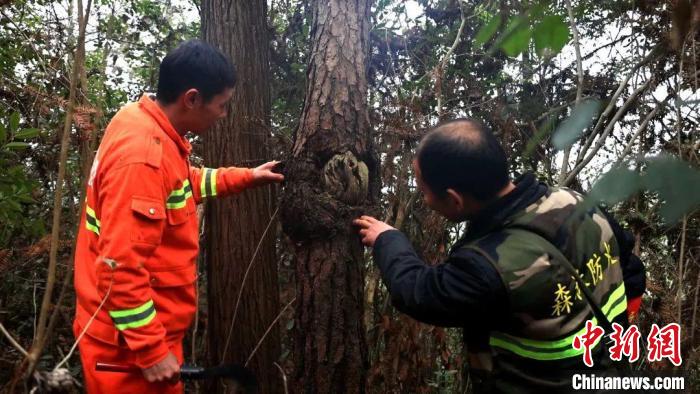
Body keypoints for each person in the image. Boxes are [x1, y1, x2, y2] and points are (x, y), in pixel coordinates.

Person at [354, 118, 645, 393]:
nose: (424, 198)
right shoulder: (576, 201)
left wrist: (387, 239)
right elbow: (630, 267)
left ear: (455, 199)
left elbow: (419, 292)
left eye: (424, 190)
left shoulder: (486, 266)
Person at [73, 40, 284, 393]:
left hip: (145, 334)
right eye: (222, 105)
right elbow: (119, 266)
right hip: (128, 351)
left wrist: (247, 177)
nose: (223, 114)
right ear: (191, 98)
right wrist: (151, 351)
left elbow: (183, 184)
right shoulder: (142, 157)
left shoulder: (146, 123)